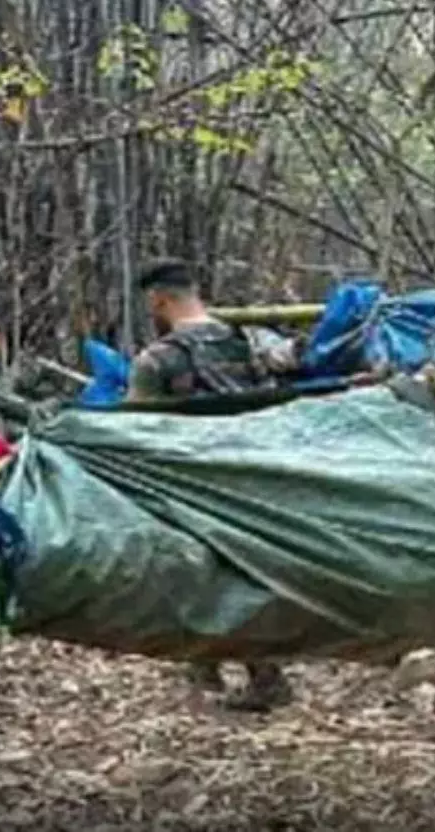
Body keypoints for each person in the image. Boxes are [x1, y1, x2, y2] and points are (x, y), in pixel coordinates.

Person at [124, 257, 296, 713]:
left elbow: (134, 432)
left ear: (158, 300)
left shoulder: (156, 361)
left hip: (190, 487)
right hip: (255, 479)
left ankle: (241, 673)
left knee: (198, 576)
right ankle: (220, 669)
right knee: (242, 575)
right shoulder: (249, 345)